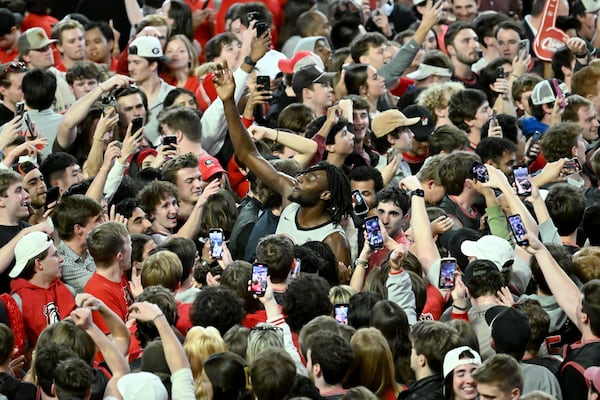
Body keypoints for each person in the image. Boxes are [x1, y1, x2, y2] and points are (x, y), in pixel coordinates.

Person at [214, 62, 353, 266]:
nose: (301, 177)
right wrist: (228, 101)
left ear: (326, 194)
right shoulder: (291, 198)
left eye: (311, 178)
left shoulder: (334, 240)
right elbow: (247, 153)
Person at [9, 231, 75, 348]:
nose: (61, 259)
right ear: (39, 264)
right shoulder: (17, 302)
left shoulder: (69, 291)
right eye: (55, 255)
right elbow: (21, 353)